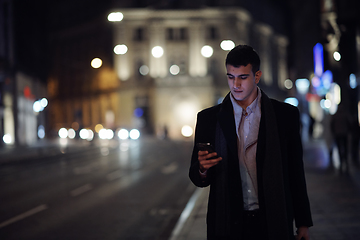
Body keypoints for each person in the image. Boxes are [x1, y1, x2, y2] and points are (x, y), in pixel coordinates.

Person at [189, 45, 313, 240]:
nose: (236, 84)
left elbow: (295, 171)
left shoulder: (284, 116)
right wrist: (203, 169)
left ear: (257, 76)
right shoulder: (208, 119)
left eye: (243, 77)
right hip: (228, 221)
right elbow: (197, 177)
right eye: (231, 77)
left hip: (271, 219)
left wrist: (303, 222)